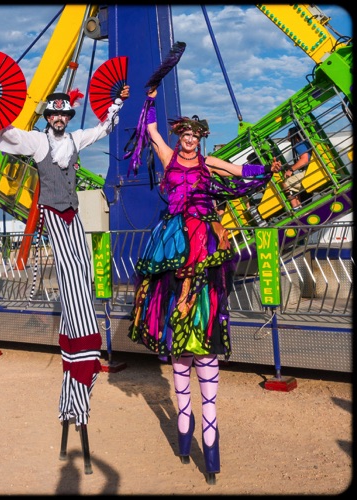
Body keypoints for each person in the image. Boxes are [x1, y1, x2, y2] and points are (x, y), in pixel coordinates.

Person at [128, 88, 280, 485]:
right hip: (174, 233)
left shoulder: (209, 162)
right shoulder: (168, 156)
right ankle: (184, 424)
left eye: (196, 135)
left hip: (204, 231)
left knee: (208, 285)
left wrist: (271, 170)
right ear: (180, 136)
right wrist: (149, 97)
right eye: (187, 134)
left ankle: (207, 446)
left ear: (201, 138)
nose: (191, 139)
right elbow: (150, 130)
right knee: (166, 286)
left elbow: (238, 173)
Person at [0, 82, 130, 429]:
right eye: (56, 114)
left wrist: (117, 104)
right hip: (52, 213)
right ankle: (78, 330)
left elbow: (100, 130)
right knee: (67, 267)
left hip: (72, 213)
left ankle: (84, 323)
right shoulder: (37, 141)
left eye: (64, 113)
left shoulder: (75, 140)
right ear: (48, 117)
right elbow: (5, 135)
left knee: (84, 266)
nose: (60, 118)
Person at [282, 126, 312, 210]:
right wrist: (289, 166)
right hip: (311, 169)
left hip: (309, 172)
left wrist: (290, 170)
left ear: (293, 135)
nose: (287, 136)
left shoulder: (298, 144)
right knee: (294, 184)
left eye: (288, 134)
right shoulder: (305, 142)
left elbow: (304, 160)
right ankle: (299, 206)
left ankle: (295, 208)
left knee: (286, 183)